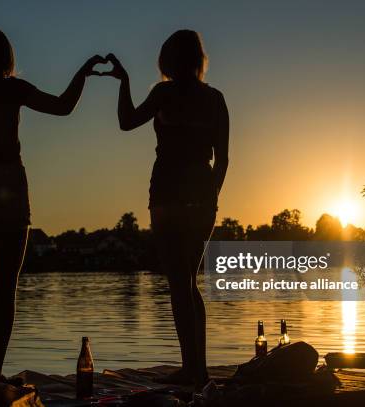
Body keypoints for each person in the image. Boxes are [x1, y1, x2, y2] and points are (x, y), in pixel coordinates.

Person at [0, 28, 105, 382]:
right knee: (4, 288)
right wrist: (83, 73)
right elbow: (63, 107)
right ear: (5, 57)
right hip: (7, 186)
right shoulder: (12, 88)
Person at [103, 30, 229, 389]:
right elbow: (223, 159)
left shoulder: (163, 93)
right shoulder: (216, 99)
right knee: (187, 283)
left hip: (168, 196)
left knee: (181, 283)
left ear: (168, 60)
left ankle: (193, 369)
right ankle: (196, 368)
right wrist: (212, 198)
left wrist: (124, 82)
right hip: (201, 198)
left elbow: (126, 121)